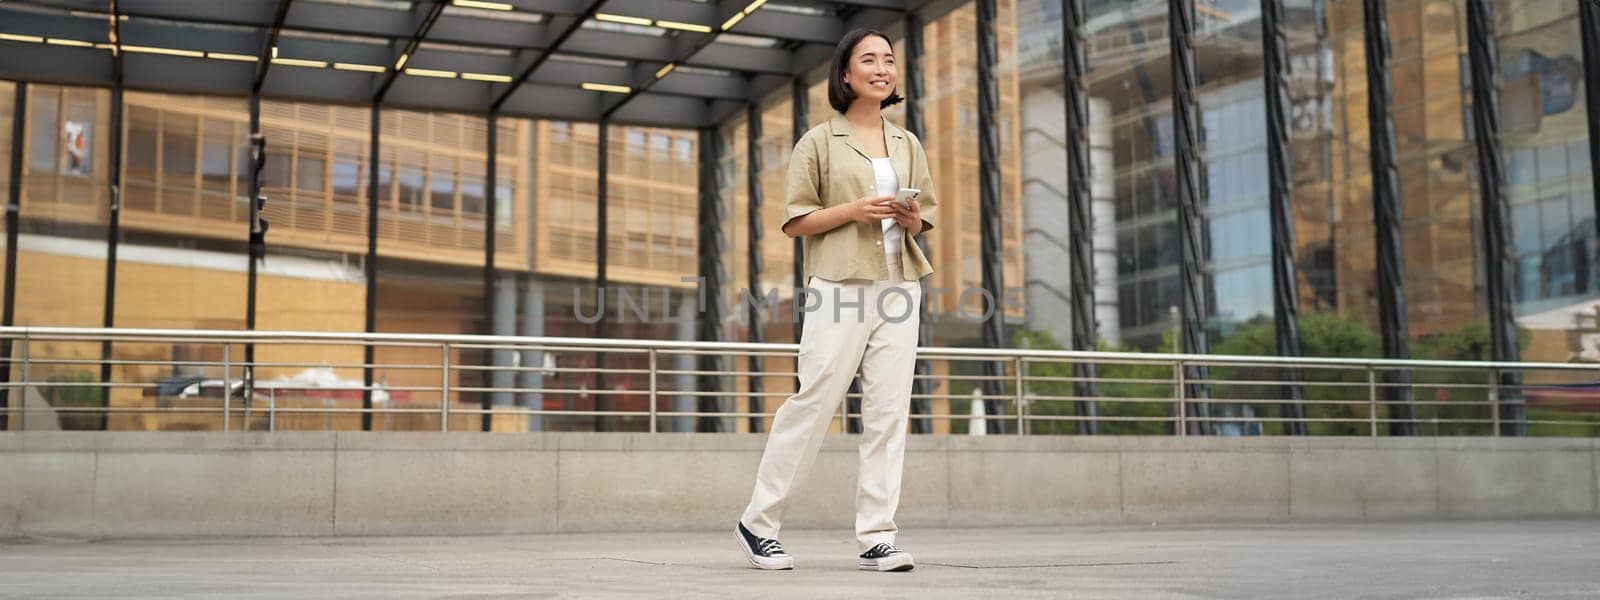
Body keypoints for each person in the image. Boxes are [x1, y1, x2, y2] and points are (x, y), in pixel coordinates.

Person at [734, 27, 937, 573]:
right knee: (815, 400)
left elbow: (924, 218)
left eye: (888, 60)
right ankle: (760, 522)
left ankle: (877, 536)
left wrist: (909, 217)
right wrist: (854, 210)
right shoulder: (818, 143)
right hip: (841, 286)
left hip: (900, 287)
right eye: (868, 60)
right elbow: (796, 220)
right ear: (845, 74)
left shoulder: (908, 143)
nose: (882, 68)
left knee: (889, 413)